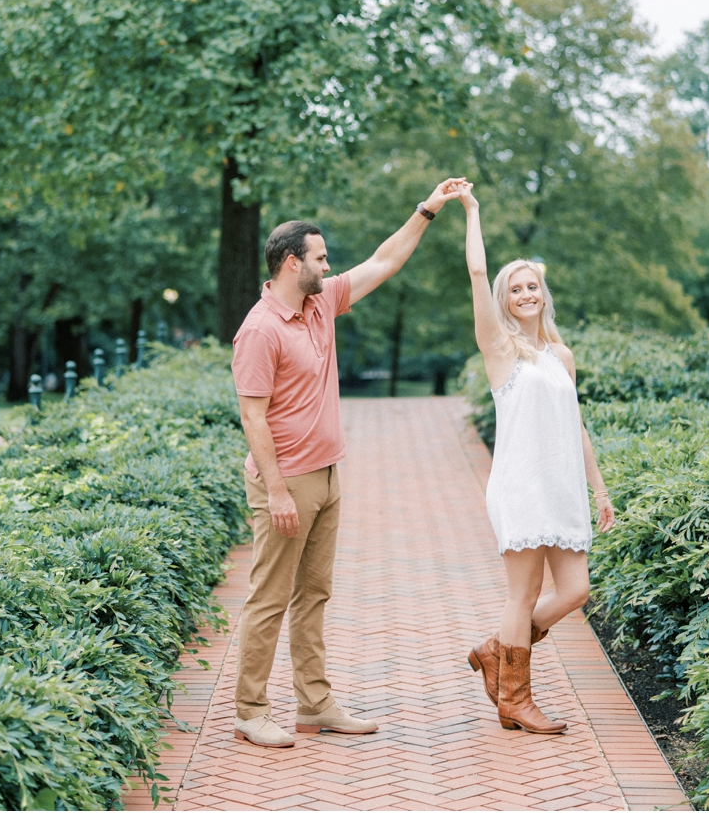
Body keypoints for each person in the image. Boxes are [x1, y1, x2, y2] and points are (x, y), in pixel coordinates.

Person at [229, 177, 468, 748]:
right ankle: (249, 710)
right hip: (285, 483)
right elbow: (252, 418)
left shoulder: (320, 304)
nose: (328, 264)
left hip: (328, 475)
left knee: (314, 594)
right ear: (292, 263)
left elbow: (384, 261)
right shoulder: (260, 330)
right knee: (270, 596)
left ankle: (314, 704)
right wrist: (280, 491)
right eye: (320, 257)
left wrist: (427, 210)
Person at [457, 181, 616, 735]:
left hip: (563, 488)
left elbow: (577, 427)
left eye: (533, 287)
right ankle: (516, 701)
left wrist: (600, 489)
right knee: (521, 593)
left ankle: (496, 650)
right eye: (516, 288)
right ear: (505, 299)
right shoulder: (501, 352)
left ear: (543, 295)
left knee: (575, 591)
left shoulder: (560, 356)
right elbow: (477, 274)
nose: (526, 293)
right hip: (522, 486)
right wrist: (473, 211)